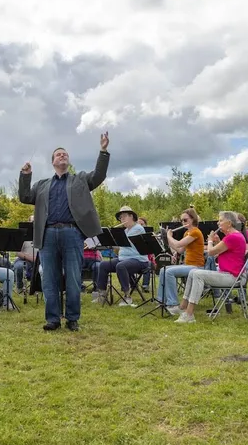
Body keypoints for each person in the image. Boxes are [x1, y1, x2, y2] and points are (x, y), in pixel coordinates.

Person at [18, 132, 110, 332]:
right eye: (58, 154)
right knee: (49, 278)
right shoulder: (42, 185)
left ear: (68, 161)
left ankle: (72, 318)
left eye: (65, 154)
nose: (62, 156)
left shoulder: (80, 180)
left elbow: (99, 175)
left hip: (71, 234)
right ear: (53, 162)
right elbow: (24, 197)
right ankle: (53, 319)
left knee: (74, 277)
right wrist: (25, 176)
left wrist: (103, 151)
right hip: (48, 234)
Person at [175, 211, 247, 324]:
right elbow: (223, 253)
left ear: (228, 223)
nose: (218, 223)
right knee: (193, 271)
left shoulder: (232, 237)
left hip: (232, 277)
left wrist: (209, 240)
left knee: (198, 274)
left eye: (220, 220)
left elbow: (211, 252)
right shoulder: (234, 236)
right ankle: (183, 306)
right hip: (230, 274)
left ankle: (189, 314)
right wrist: (217, 241)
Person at [94, 206, 150, 306]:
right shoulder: (125, 231)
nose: (122, 219)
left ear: (131, 216)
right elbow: (119, 248)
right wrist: (108, 240)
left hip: (139, 260)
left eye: (124, 216)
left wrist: (114, 236)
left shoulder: (138, 228)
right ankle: (102, 294)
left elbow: (125, 242)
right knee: (103, 265)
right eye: (121, 218)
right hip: (123, 259)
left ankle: (127, 296)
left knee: (121, 266)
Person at [159, 207, 205, 315]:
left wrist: (168, 236)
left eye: (185, 220)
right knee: (163, 270)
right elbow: (179, 249)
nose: (183, 222)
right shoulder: (187, 233)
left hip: (196, 266)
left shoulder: (195, 232)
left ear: (193, 219)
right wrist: (166, 240)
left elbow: (178, 244)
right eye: (181, 221)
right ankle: (162, 301)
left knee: (169, 272)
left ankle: (173, 304)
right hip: (188, 265)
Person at [13, 215, 36, 292]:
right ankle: (19, 287)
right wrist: (29, 257)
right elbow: (17, 251)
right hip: (25, 260)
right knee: (19, 266)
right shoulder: (23, 234)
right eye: (32, 221)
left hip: (40, 260)